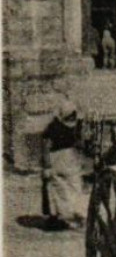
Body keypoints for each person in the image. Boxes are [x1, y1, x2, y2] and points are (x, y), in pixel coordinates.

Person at [41, 95, 85, 229]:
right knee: (60, 190)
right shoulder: (52, 128)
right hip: (57, 159)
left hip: (70, 159)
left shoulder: (75, 125)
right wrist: (47, 165)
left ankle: (73, 214)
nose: (72, 118)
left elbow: (77, 142)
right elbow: (46, 147)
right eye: (70, 115)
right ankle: (61, 218)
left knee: (74, 186)